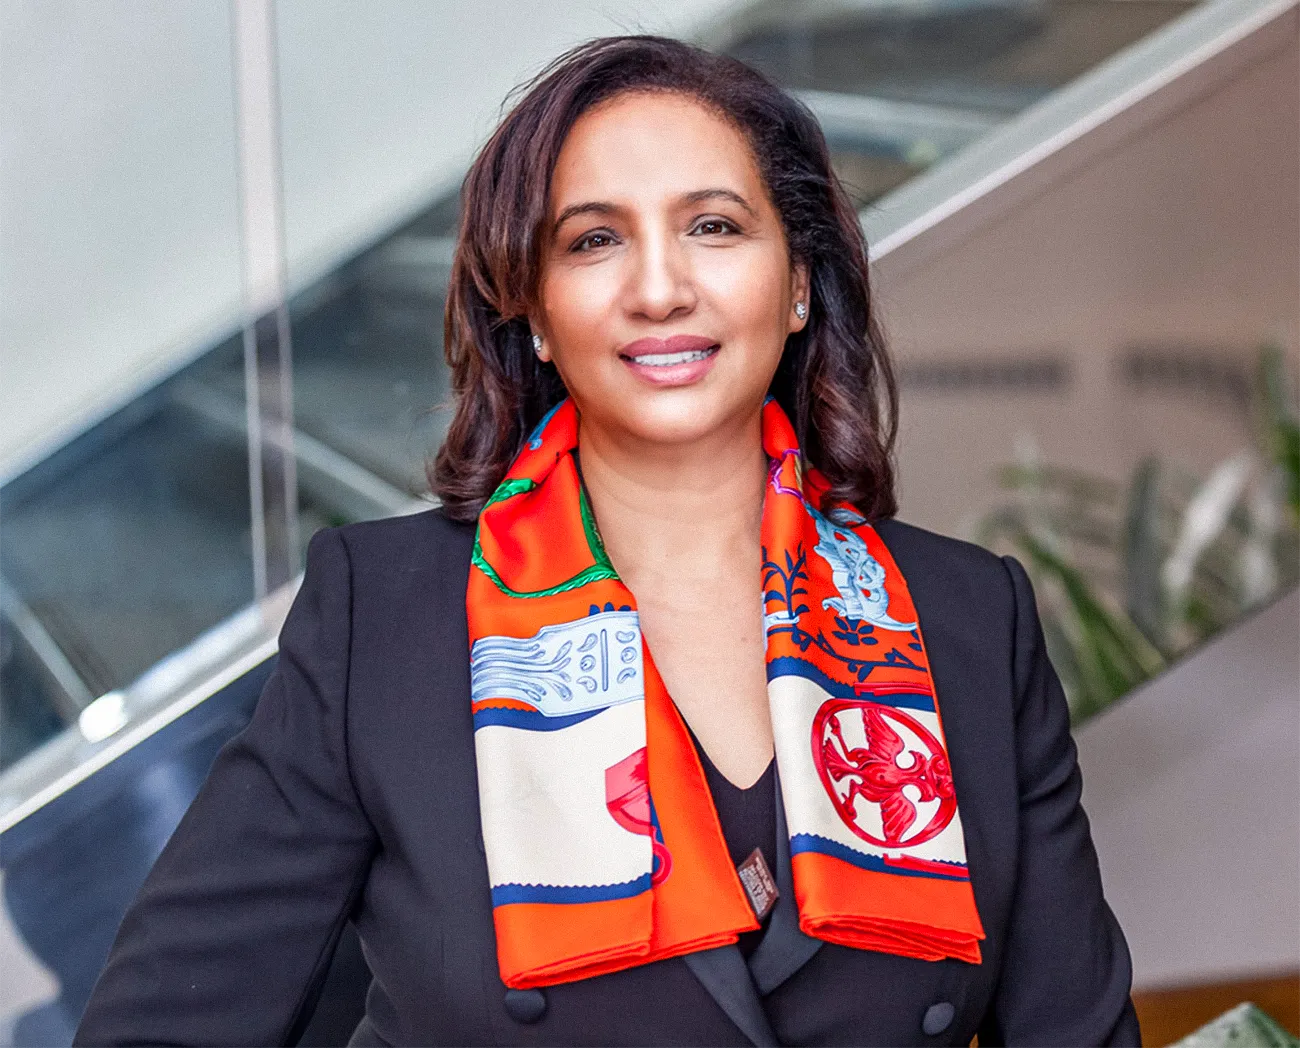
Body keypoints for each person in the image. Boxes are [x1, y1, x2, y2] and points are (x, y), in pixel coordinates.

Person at [73, 34, 1140, 1048]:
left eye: (713, 226)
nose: (659, 287)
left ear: (801, 280)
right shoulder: (384, 617)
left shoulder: (965, 617)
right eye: (594, 240)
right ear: (535, 309)